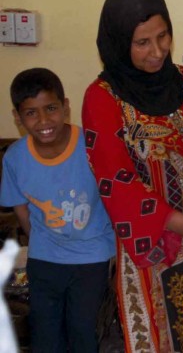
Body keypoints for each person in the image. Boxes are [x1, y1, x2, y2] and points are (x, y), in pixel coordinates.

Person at [82, 0, 183, 352]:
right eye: (142, 43)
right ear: (119, 42)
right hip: (155, 250)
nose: (157, 52)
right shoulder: (102, 98)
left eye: (163, 36)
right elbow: (115, 181)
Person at [1, 68, 115, 353]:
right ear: (17, 117)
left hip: (93, 257)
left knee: (82, 330)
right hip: (45, 259)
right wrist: (41, 240)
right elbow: (20, 207)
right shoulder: (15, 158)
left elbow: (114, 198)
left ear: (65, 106)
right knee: (46, 335)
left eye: (50, 108)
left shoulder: (91, 146)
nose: (43, 121)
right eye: (31, 113)